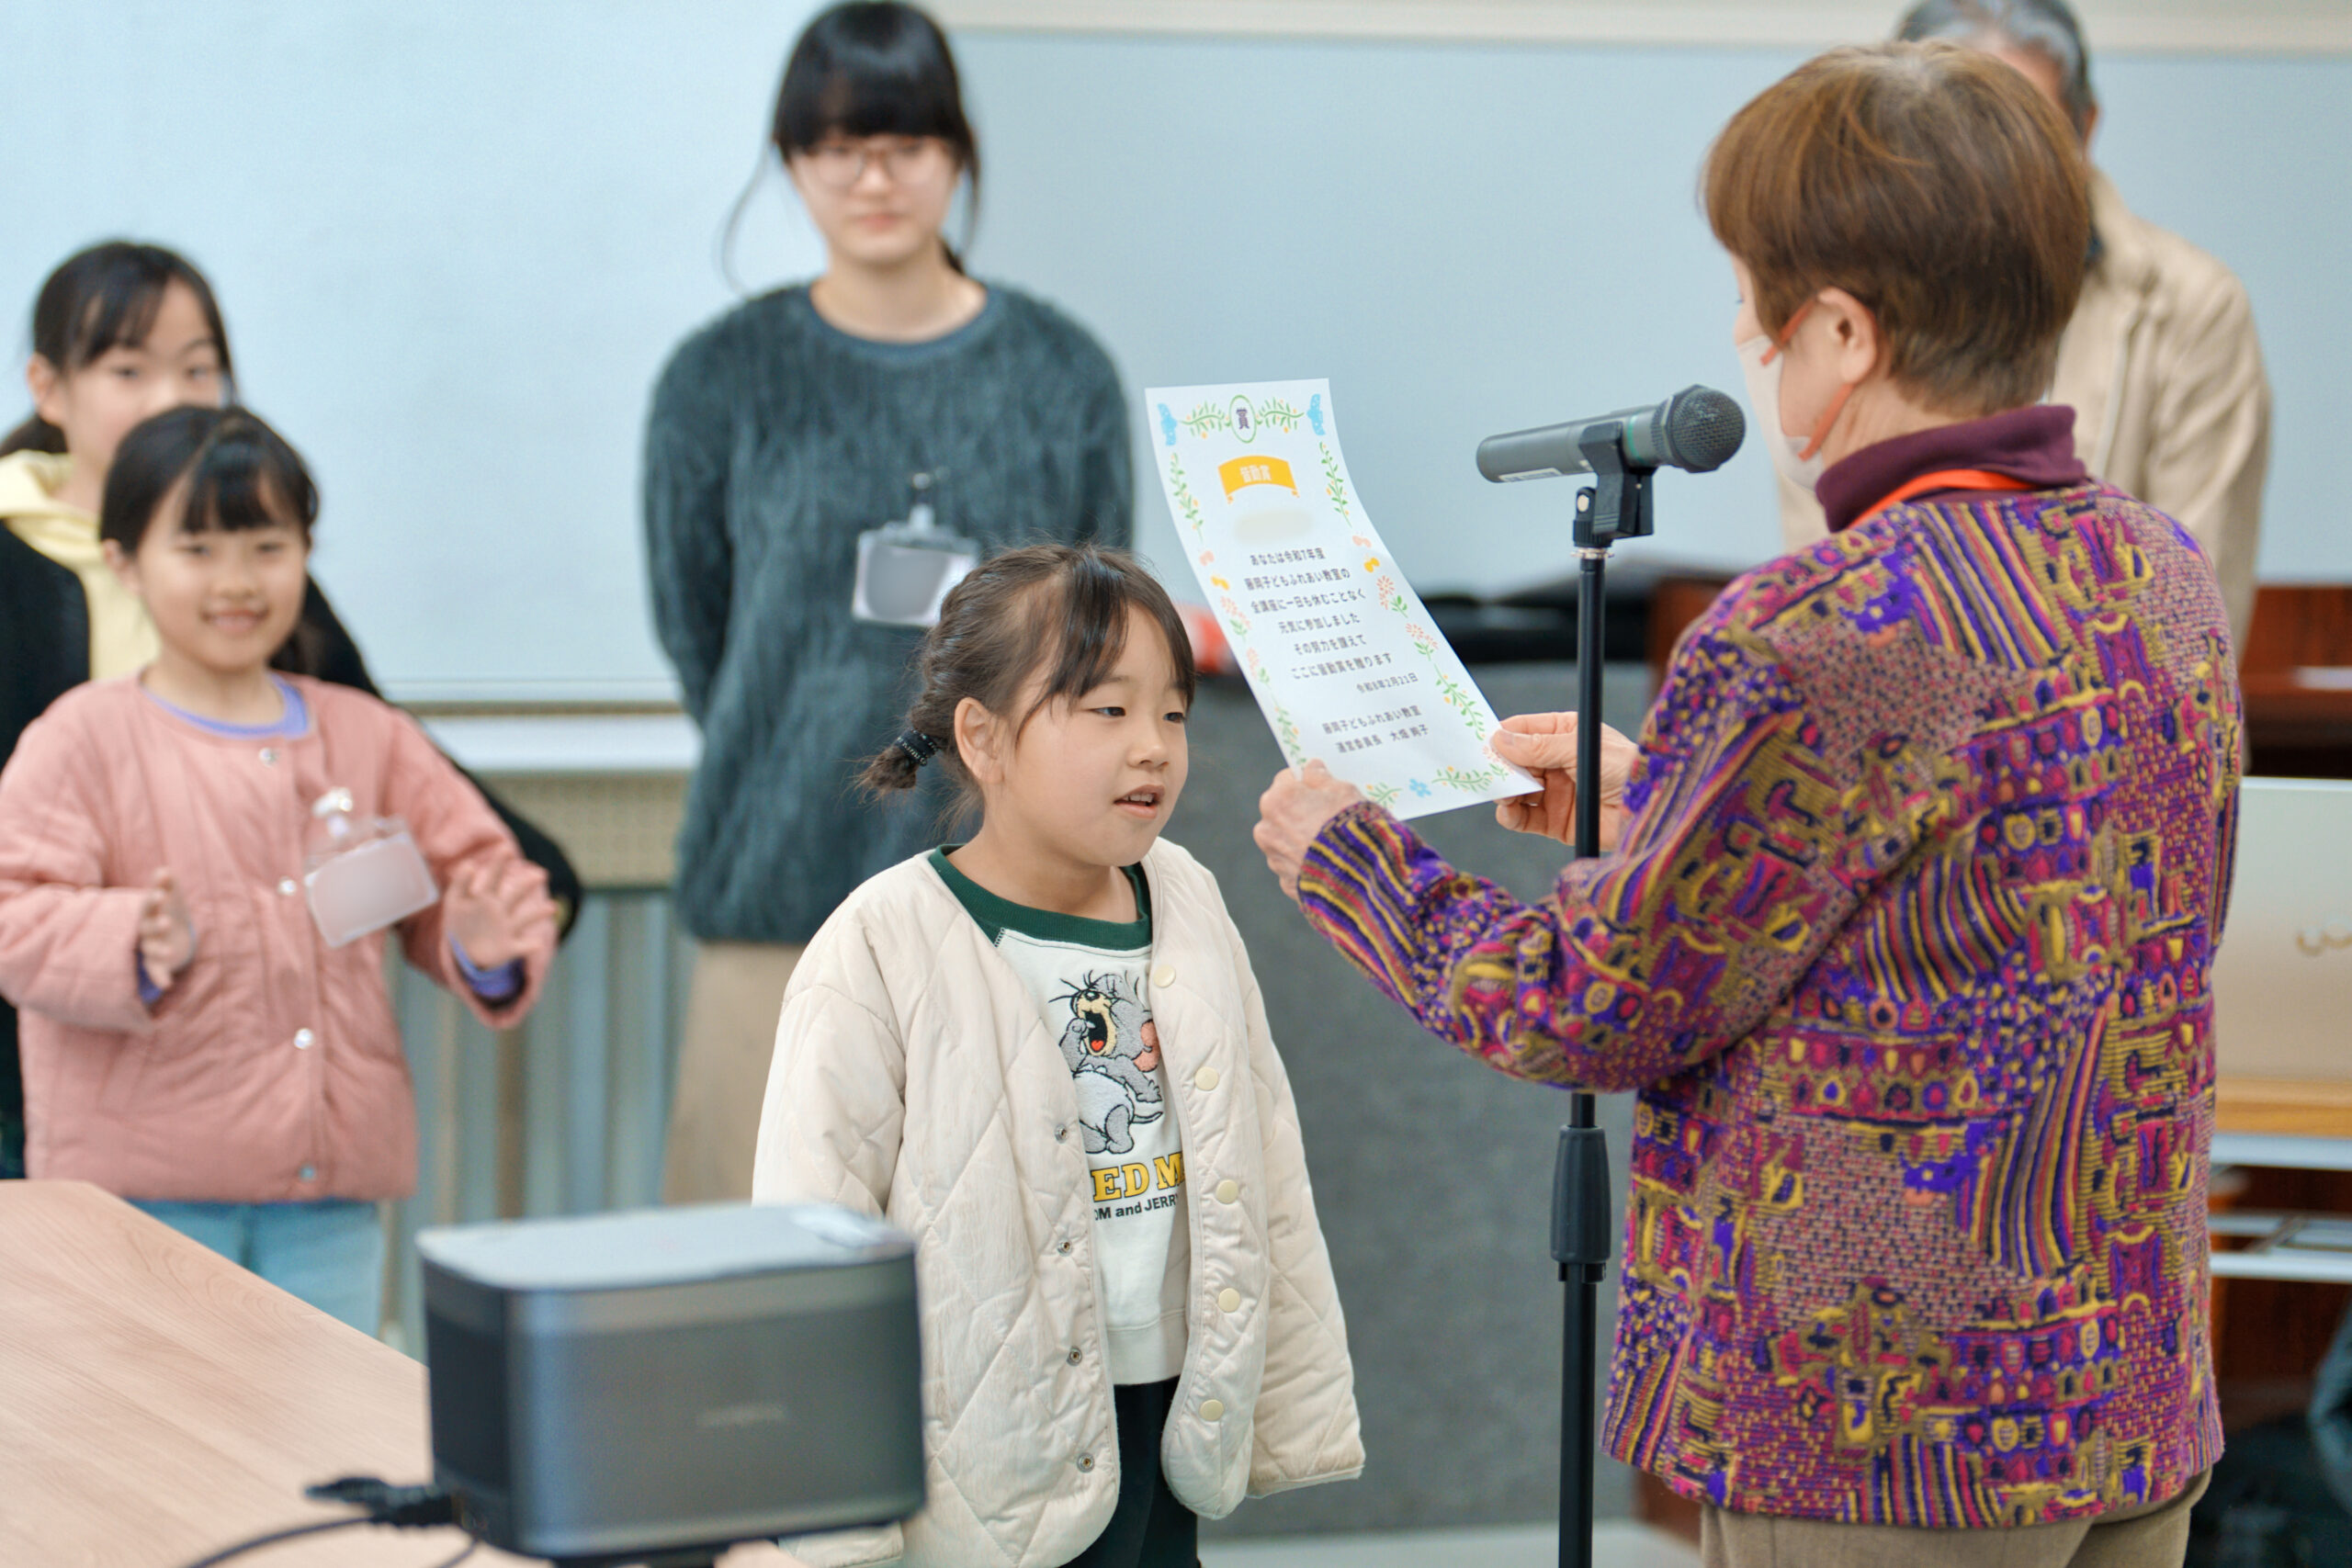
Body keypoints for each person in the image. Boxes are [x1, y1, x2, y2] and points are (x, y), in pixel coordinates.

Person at [1257, 44, 2236, 1567]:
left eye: (1757, 298)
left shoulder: (1814, 626)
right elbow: (2005, 903)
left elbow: (1592, 1005)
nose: (1742, 334)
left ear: (1843, 329)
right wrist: (1670, 801)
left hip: (1884, 1426)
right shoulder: (2159, 571)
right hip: (2122, 1383)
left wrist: (1359, 867)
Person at [754, 544, 1360, 1568]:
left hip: (1168, 1410)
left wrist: (1295, 1410)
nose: (1153, 748)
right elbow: (811, 1238)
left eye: (1173, 713)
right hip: (979, 1444)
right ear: (982, 738)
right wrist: (830, 1521)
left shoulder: (1188, 898)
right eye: (1107, 709)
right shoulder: (881, 942)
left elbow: (1266, 1158)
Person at [646, 1, 1133, 1204]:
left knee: (1003, 1266)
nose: (873, 178)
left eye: (905, 143)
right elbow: (698, 626)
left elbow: (1094, 648)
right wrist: (797, 737)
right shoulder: (719, 377)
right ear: (790, 162)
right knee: (754, 1267)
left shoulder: (1060, 371)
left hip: (1009, 901)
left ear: (956, 152)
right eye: (835, 147)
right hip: (774, 886)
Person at [0, 239, 582, 1180]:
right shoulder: (26, 587)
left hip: (275, 1103)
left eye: (198, 368)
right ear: (50, 388)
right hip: (66, 1058)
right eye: (129, 369)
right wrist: (113, 941)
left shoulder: (258, 566)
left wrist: (516, 885)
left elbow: (366, 746)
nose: (170, 397)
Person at [0, 406, 560, 1333]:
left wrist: (483, 948)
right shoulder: (81, 739)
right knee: (156, 1413)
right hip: (138, 1199)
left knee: (321, 1410)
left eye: (267, 547)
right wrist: (124, 939)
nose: (237, 582)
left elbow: (482, 882)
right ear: (124, 562)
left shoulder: (367, 737)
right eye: (198, 550)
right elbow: (13, 912)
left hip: (328, 1201)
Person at [1775, 0, 2270, 649]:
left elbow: (2192, 616)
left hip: (2124, 697)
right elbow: (1826, 587)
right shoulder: (1834, 311)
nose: (1990, 181)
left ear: (2084, 131)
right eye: (1956, 143)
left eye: (2023, 138)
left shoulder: (2195, 303)